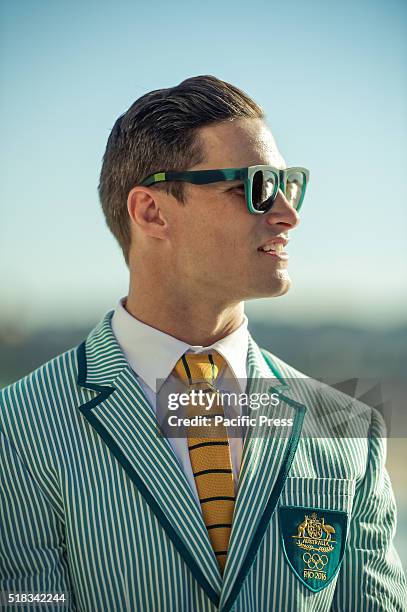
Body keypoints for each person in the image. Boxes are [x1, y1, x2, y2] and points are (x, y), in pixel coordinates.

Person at [0, 75, 405, 612]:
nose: (289, 213)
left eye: (290, 184)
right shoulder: (20, 425)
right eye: (256, 186)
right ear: (152, 211)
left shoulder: (348, 426)